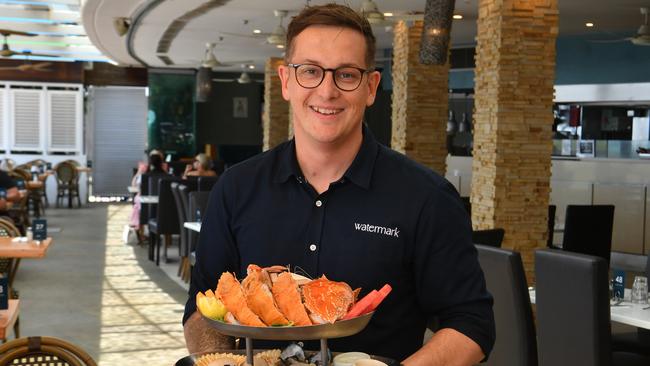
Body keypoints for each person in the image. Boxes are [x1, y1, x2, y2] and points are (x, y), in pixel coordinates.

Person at [183, 4, 494, 365]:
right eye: (310, 71)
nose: (327, 91)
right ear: (286, 81)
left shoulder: (426, 197)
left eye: (346, 75)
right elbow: (200, 310)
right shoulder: (236, 188)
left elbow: (472, 324)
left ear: (371, 87)